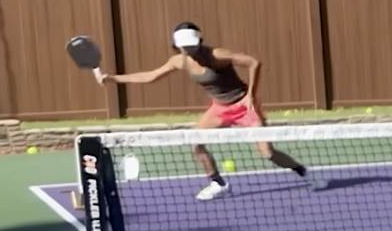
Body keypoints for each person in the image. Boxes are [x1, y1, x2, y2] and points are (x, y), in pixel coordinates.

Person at [97, 22, 323, 201]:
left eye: (193, 44)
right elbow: (150, 76)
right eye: (185, 46)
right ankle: (218, 183)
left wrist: (250, 95)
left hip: (244, 106)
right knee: (196, 144)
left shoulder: (217, 55)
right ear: (177, 46)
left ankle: (304, 172)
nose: (189, 49)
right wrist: (112, 78)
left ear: (199, 41)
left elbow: (254, 62)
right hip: (219, 109)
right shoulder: (179, 61)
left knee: (267, 152)